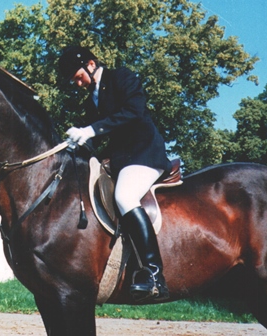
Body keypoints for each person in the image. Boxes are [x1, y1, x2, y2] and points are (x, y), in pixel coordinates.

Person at [59, 46, 172, 302]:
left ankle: (154, 274)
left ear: (90, 64)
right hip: (121, 160)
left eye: (78, 77)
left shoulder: (122, 77)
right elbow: (96, 137)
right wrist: (79, 143)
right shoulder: (93, 100)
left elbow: (133, 113)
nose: (77, 84)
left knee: (124, 196)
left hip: (144, 153)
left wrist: (90, 130)